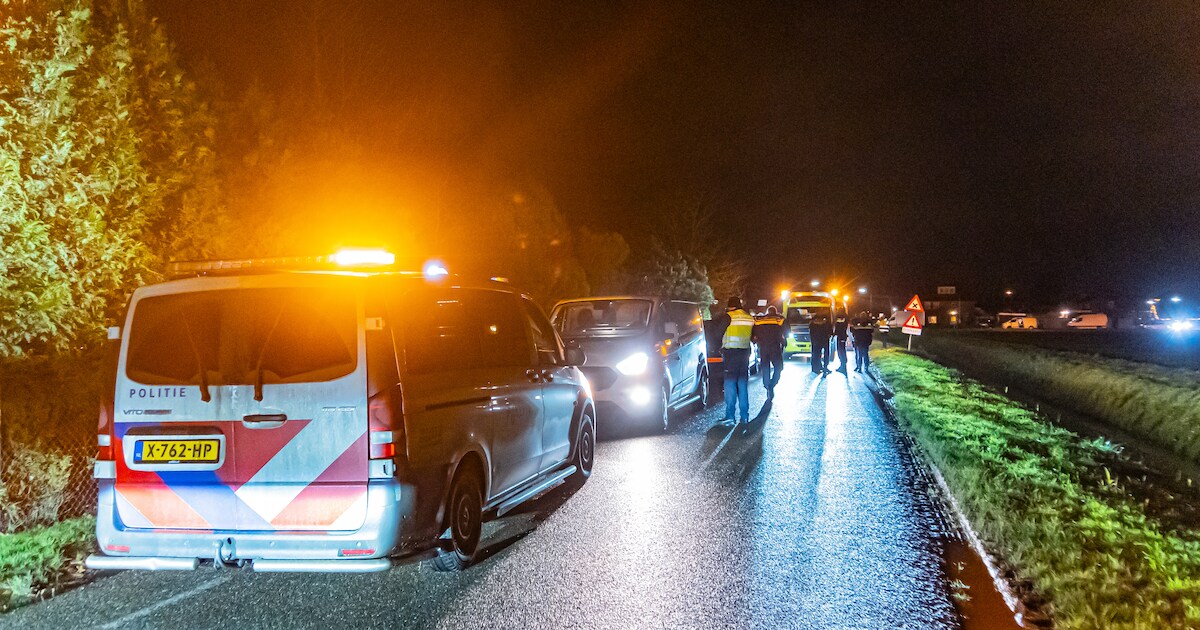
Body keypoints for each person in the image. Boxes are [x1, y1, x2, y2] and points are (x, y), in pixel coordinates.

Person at [713, 296, 754, 424]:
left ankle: (730, 416)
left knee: (730, 384)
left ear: (730, 306)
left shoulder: (729, 316)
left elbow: (717, 333)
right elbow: (754, 336)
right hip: (744, 353)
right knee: (742, 384)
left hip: (731, 354)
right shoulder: (749, 317)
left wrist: (718, 347)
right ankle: (744, 416)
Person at [752, 305, 786, 399]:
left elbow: (754, 334)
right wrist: (783, 341)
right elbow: (786, 332)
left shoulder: (759, 321)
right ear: (775, 312)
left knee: (765, 368)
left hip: (763, 348)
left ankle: (767, 385)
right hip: (775, 348)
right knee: (778, 368)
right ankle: (772, 384)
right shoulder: (780, 320)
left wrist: (755, 340)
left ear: (767, 312)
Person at [833, 307, 850, 374]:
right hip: (840, 336)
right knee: (840, 351)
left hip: (841, 336)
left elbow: (839, 326)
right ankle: (842, 366)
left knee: (841, 351)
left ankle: (843, 366)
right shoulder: (843, 317)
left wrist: (835, 333)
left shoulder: (842, 317)